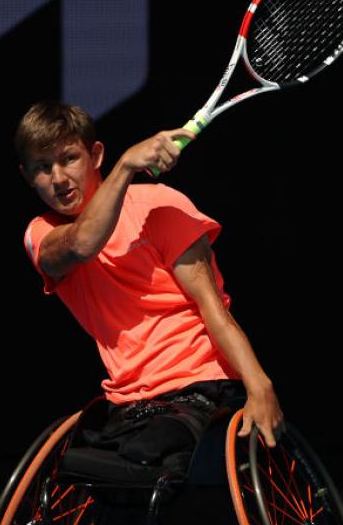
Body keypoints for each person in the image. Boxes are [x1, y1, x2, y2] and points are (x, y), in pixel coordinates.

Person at [16, 100, 284, 467]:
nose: (58, 178)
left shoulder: (161, 206)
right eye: (43, 168)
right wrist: (128, 163)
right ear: (28, 176)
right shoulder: (41, 235)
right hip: (130, 405)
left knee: (142, 458)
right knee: (75, 470)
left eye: (69, 159)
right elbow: (82, 243)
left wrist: (259, 383)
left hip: (201, 388)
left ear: (95, 155)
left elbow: (212, 306)